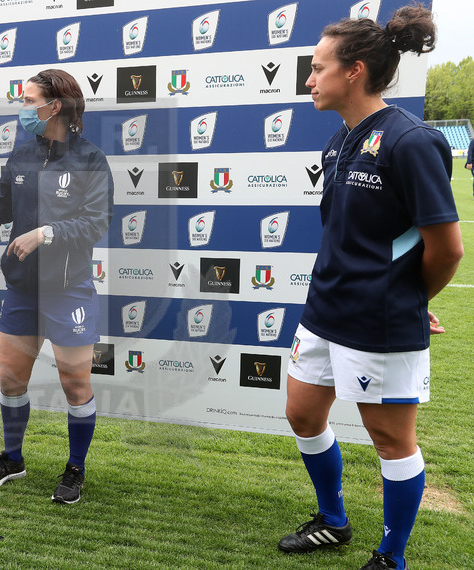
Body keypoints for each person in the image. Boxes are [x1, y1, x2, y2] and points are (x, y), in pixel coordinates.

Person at [278, 6, 463, 570]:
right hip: (325, 310)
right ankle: (333, 521)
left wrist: (408, 299)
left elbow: (447, 249)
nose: (310, 79)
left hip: (379, 320)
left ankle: (391, 557)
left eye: (318, 68)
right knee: (302, 414)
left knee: (389, 441)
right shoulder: (340, 140)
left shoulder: (412, 141)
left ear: (354, 71)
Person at [0, 69, 114, 504]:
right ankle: (13, 459)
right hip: (23, 288)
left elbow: (96, 223)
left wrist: (45, 234)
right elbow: (0, 208)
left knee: (75, 384)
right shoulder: (22, 153)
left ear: (54, 106)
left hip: (68, 289)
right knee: (10, 379)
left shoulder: (91, 159)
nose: (22, 108)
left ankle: (75, 469)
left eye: (28, 101)